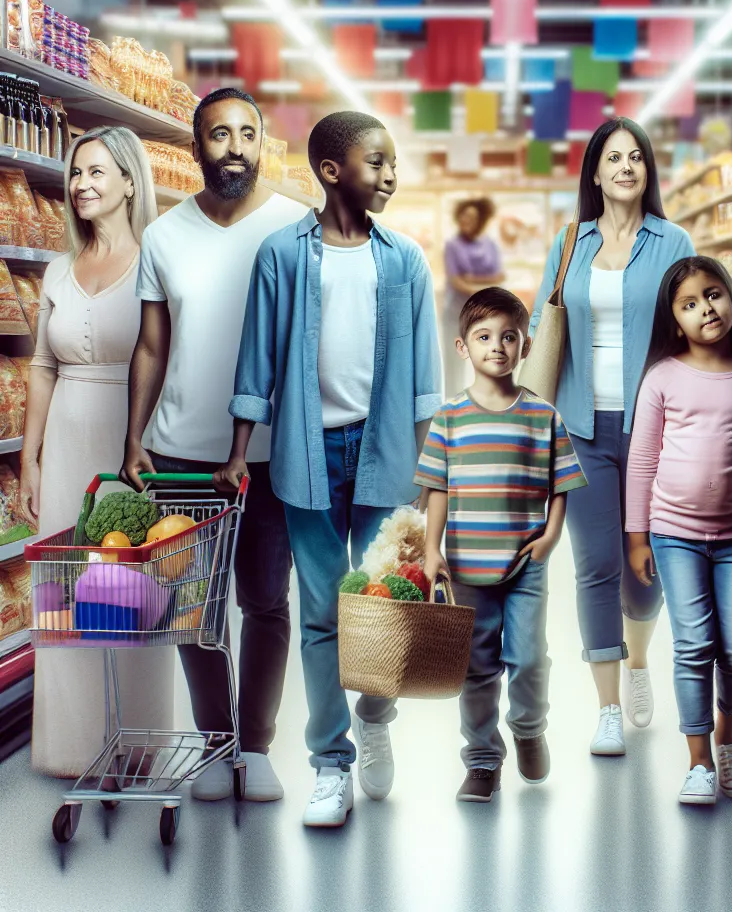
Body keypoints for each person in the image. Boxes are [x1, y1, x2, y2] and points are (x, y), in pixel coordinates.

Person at [216, 110, 441, 828]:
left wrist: (433, 469)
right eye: (379, 162)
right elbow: (255, 358)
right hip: (304, 456)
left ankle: (375, 718)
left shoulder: (404, 259)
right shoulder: (282, 257)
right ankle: (329, 763)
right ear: (331, 171)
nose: (391, 175)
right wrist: (236, 451)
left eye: (394, 162)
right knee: (319, 612)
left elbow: (426, 377)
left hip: (385, 454)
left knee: (380, 604)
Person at [120, 87, 308, 802]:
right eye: (218, 135)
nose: (234, 147)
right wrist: (133, 437)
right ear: (196, 147)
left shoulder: (297, 228)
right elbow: (150, 345)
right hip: (178, 451)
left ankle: (254, 747)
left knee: (265, 599)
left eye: (247, 133)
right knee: (192, 604)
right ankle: (213, 740)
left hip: (268, 453)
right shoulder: (165, 235)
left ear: (261, 143)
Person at [529, 116, 695, 755]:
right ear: (594, 171)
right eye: (613, 157)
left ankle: (638, 661)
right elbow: (548, 324)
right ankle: (606, 707)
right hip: (580, 426)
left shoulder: (672, 240)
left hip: (655, 428)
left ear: (647, 172)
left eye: (636, 157)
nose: (626, 167)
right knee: (594, 564)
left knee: (642, 565)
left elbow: (692, 324)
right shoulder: (570, 241)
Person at [23, 126, 173, 777]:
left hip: (129, 442)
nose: (81, 184)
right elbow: (39, 368)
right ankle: (73, 746)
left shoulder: (155, 263)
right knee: (63, 593)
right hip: (65, 439)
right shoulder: (58, 269)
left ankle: (138, 742)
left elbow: (169, 358)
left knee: (134, 588)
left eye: (96, 172)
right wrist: (29, 458)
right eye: (75, 173)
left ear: (129, 182)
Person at [415, 287, 587, 803]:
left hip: (525, 561)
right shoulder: (449, 419)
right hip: (466, 566)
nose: (497, 346)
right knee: (476, 666)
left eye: (508, 337)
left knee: (529, 656)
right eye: (484, 337)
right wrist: (432, 550)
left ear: (526, 346)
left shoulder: (543, 417)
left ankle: (529, 728)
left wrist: (550, 537)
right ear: (462, 347)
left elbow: (561, 485)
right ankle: (482, 760)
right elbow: (438, 489)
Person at [625, 257, 732, 805]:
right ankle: (698, 761)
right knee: (694, 643)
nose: (705, 309)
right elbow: (642, 460)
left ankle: (730, 737)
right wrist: (637, 535)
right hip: (673, 533)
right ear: (674, 321)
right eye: (689, 304)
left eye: (713, 295)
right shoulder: (663, 377)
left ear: (731, 300)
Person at [442, 197, 504, 398]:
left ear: (480, 221)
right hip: (455, 314)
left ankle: (488, 402)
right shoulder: (452, 245)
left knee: (490, 360)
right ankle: (454, 405)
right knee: (454, 365)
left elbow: (499, 277)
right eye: (463, 216)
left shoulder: (490, 245)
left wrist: (471, 279)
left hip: (485, 315)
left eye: (472, 218)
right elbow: (457, 281)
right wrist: (482, 283)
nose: (466, 221)